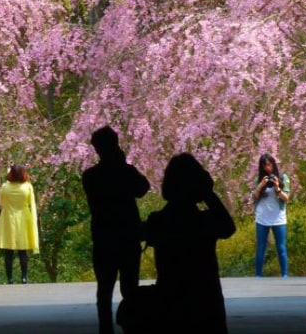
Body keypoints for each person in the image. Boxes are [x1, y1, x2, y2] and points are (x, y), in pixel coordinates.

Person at [143, 153, 236, 332]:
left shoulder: (158, 221)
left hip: (170, 299)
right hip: (206, 300)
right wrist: (208, 193)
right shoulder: (205, 221)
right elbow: (228, 228)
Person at [82, 126, 150, 334]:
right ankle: (132, 326)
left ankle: (105, 329)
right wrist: (123, 164)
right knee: (130, 288)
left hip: (104, 237)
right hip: (128, 236)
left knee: (104, 289)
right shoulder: (126, 172)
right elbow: (143, 188)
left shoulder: (90, 176)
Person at [0, 164, 39, 284]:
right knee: (22, 251)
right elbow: (31, 203)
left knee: (8, 251)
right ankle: (24, 277)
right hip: (23, 218)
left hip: (8, 218)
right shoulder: (27, 187)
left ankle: (10, 278)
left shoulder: (5, 187)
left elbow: (1, 203)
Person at [252, 153, 290, 278]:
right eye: (264, 166)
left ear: (273, 164)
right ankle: (258, 274)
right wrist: (261, 185)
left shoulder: (283, 177)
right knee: (261, 247)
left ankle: (285, 275)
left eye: (269, 165)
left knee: (281, 247)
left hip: (278, 217)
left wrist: (277, 188)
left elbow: (286, 198)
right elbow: (255, 197)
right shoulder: (259, 179)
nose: (267, 168)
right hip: (262, 217)